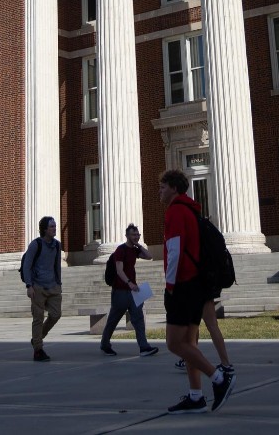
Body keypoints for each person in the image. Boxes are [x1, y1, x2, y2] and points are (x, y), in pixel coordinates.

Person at [158, 169, 235, 413]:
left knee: (173, 343)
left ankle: (219, 379)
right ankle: (196, 396)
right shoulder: (191, 209)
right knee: (190, 342)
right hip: (196, 284)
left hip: (183, 284)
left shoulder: (176, 211)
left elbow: (175, 250)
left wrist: (170, 287)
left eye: (162, 186)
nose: (159, 190)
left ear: (174, 188)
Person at [100, 223, 159, 357]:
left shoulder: (135, 250)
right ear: (126, 235)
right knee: (114, 319)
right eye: (133, 235)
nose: (136, 237)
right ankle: (105, 344)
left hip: (133, 292)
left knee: (138, 319)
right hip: (120, 290)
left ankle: (144, 347)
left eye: (138, 235)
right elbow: (119, 270)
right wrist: (129, 283)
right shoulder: (120, 250)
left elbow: (149, 256)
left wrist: (139, 245)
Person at [20, 216, 62, 362]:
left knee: (56, 314)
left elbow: (57, 266)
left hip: (53, 286)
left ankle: (37, 338)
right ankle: (38, 350)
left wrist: (59, 283)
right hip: (37, 286)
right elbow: (27, 266)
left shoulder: (57, 245)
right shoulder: (36, 244)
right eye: (51, 227)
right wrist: (29, 285)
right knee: (38, 318)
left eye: (55, 226)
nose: (54, 229)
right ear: (44, 229)